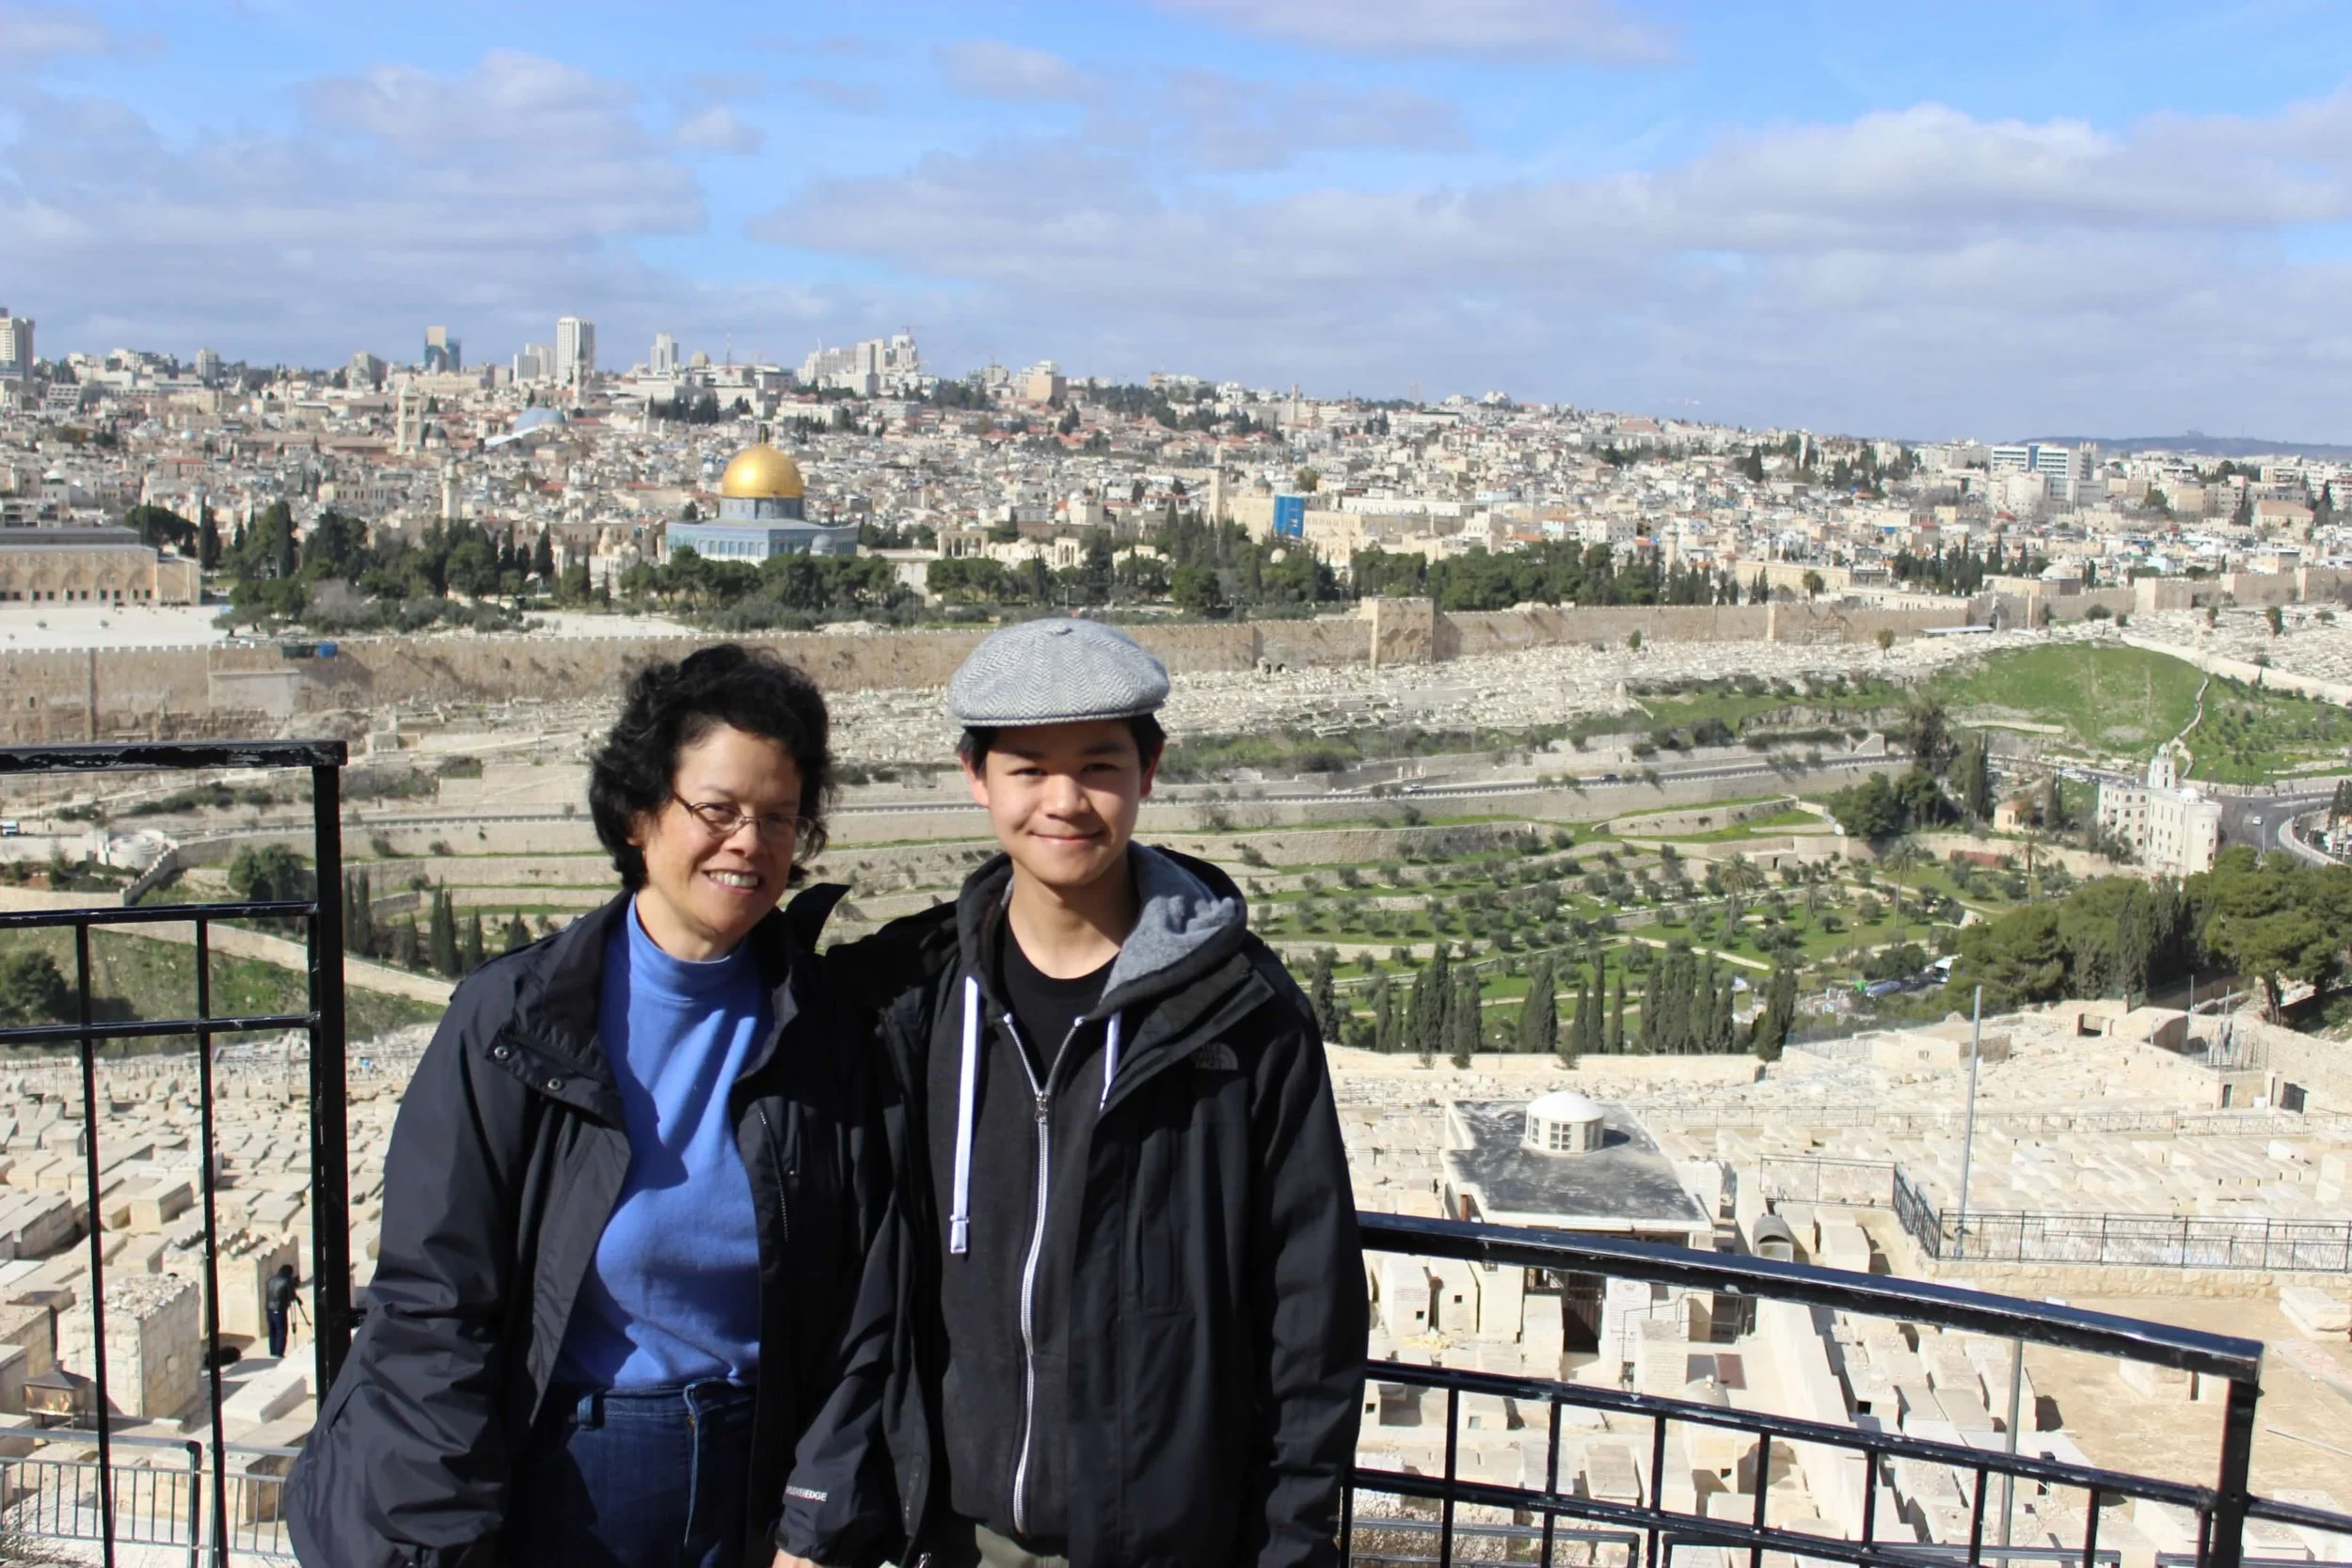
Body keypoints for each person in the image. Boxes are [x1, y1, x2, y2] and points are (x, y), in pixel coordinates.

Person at [288, 644, 891, 1568]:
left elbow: (865, 1299)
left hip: (757, 1484)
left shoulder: (825, 1028)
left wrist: (817, 1521)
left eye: (778, 817)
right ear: (639, 814)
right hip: (569, 1480)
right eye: (718, 810)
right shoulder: (517, 1019)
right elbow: (436, 1301)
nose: (749, 842)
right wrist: (443, 1538)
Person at [806, 619, 1367, 1568]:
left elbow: (1311, 1312)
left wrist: (1292, 1547)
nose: (1064, 802)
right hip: (948, 1538)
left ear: (1150, 769)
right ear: (976, 775)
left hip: (1165, 1544)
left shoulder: (1241, 1013)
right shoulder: (914, 998)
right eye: (1029, 768)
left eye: (1098, 766)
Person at [264, 1264, 305, 1359]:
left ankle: (273, 1352)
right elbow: (291, 1297)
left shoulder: (271, 1279)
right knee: (281, 1331)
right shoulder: (286, 1280)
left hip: (269, 1309)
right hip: (279, 1310)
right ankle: (279, 1354)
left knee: (272, 1331)